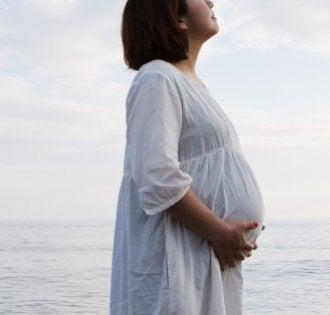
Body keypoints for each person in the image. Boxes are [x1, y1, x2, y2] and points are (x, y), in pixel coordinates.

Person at [110, 0, 265, 314]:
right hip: (176, 255)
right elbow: (157, 177)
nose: (211, 1)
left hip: (200, 256)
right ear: (176, 17)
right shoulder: (157, 78)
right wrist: (218, 231)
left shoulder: (191, 86)